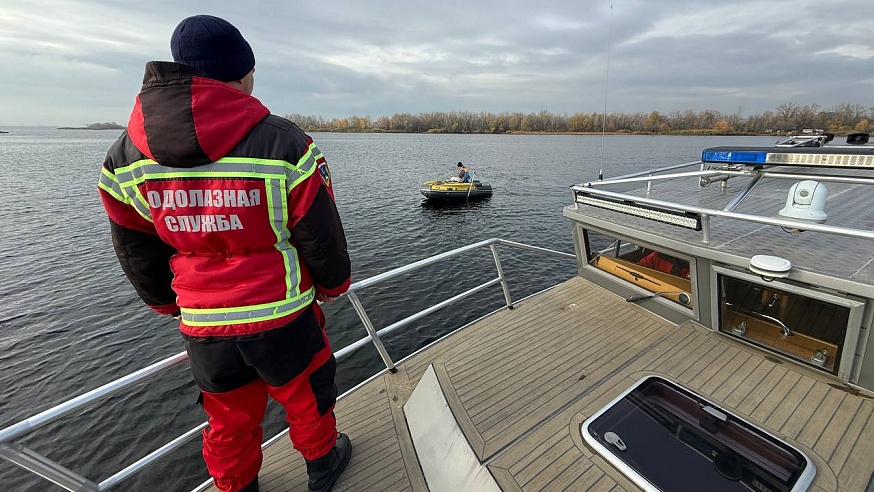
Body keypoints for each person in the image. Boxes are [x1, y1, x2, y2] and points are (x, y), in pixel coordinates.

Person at [97, 15, 352, 492]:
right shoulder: (283, 142)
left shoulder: (124, 156)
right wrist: (334, 283)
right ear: (241, 71)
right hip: (281, 310)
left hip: (203, 320)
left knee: (228, 415)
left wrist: (166, 302)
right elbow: (319, 231)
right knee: (308, 395)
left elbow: (134, 245)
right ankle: (323, 466)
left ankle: (236, 485)